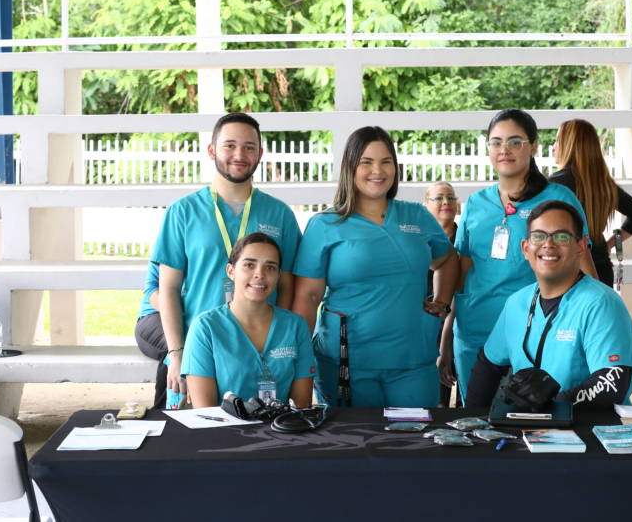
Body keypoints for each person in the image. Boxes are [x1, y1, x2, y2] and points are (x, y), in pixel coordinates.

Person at [292, 126, 458, 408]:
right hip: (347, 362)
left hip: (413, 361)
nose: (377, 171)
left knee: (415, 445)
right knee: (352, 446)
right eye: (366, 162)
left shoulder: (415, 215)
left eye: (386, 162)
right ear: (350, 168)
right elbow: (307, 297)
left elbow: (447, 260)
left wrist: (441, 303)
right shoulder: (325, 225)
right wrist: (297, 357)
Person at [442, 108, 595, 402]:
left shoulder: (558, 199)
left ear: (534, 146)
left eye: (515, 141)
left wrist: (595, 322)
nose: (504, 150)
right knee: (476, 423)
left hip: (536, 333)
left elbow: (583, 268)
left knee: (534, 424)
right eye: (496, 142)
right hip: (474, 333)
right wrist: (448, 334)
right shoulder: (476, 204)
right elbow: (462, 272)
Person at [152, 113, 302, 407]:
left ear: (260, 153)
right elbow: (168, 289)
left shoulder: (279, 214)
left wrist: (279, 341)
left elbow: (287, 285)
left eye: (249, 147)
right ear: (212, 151)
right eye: (229, 145)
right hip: (200, 345)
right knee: (191, 437)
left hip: (258, 350)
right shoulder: (183, 212)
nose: (239, 155)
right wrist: (176, 353)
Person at [466, 200, 632, 409]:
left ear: (581, 246)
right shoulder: (517, 302)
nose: (548, 244)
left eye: (561, 236)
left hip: (590, 431)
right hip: (530, 430)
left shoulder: (601, 303)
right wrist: (473, 419)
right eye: (538, 236)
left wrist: (552, 407)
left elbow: (612, 384)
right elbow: (488, 366)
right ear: (525, 248)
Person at [183, 233, 313, 408]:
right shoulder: (205, 328)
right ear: (231, 271)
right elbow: (205, 411)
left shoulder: (296, 326)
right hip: (222, 431)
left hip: (284, 430)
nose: (260, 274)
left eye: (270, 267)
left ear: (278, 275)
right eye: (249, 265)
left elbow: (301, 406)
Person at [549, 119, 632, 287]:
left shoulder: (556, 184)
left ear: (569, 145)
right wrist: (610, 244)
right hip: (602, 266)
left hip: (569, 270)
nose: (553, 146)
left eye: (558, 140)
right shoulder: (603, 184)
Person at [422, 181, 462, 407]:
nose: (446, 202)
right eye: (438, 198)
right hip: (427, 323)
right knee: (436, 400)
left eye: (450, 197)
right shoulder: (419, 239)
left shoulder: (464, 238)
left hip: (458, 319)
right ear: (426, 204)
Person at [133, 261, 166, 408]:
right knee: (176, 345)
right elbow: (152, 292)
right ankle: (163, 414)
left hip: (196, 318)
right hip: (155, 316)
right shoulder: (169, 244)